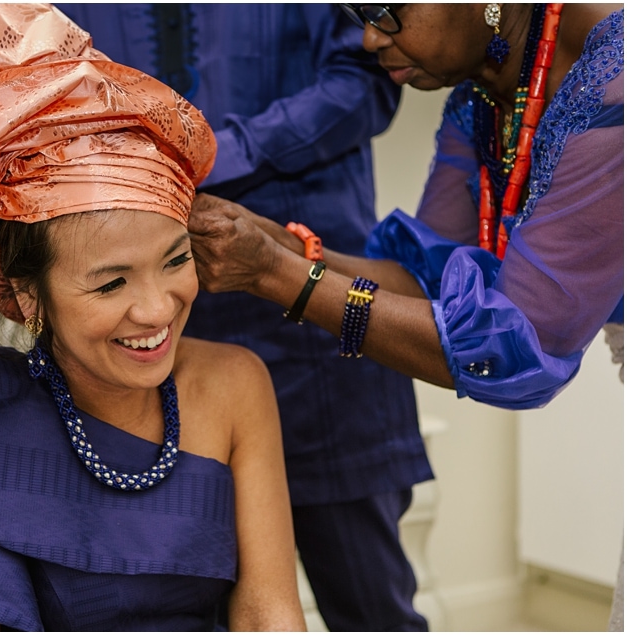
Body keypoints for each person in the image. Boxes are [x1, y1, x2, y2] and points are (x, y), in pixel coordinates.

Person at [0, 4, 306, 632]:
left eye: (175, 260)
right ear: (27, 295)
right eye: (110, 283)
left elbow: (270, 614)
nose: (156, 309)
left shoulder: (236, 386)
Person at [189, 3, 623, 626]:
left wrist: (278, 276)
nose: (368, 39)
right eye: (354, 12)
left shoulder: (613, 70)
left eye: (386, 11)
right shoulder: (486, 93)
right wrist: (289, 250)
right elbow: (428, 286)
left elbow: (514, 350)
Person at [53, 4, 433, 631]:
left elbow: (367, 79)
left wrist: (218, 154)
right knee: (178, 592)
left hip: (314, 311)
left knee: (370, 604)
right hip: (155, 327)